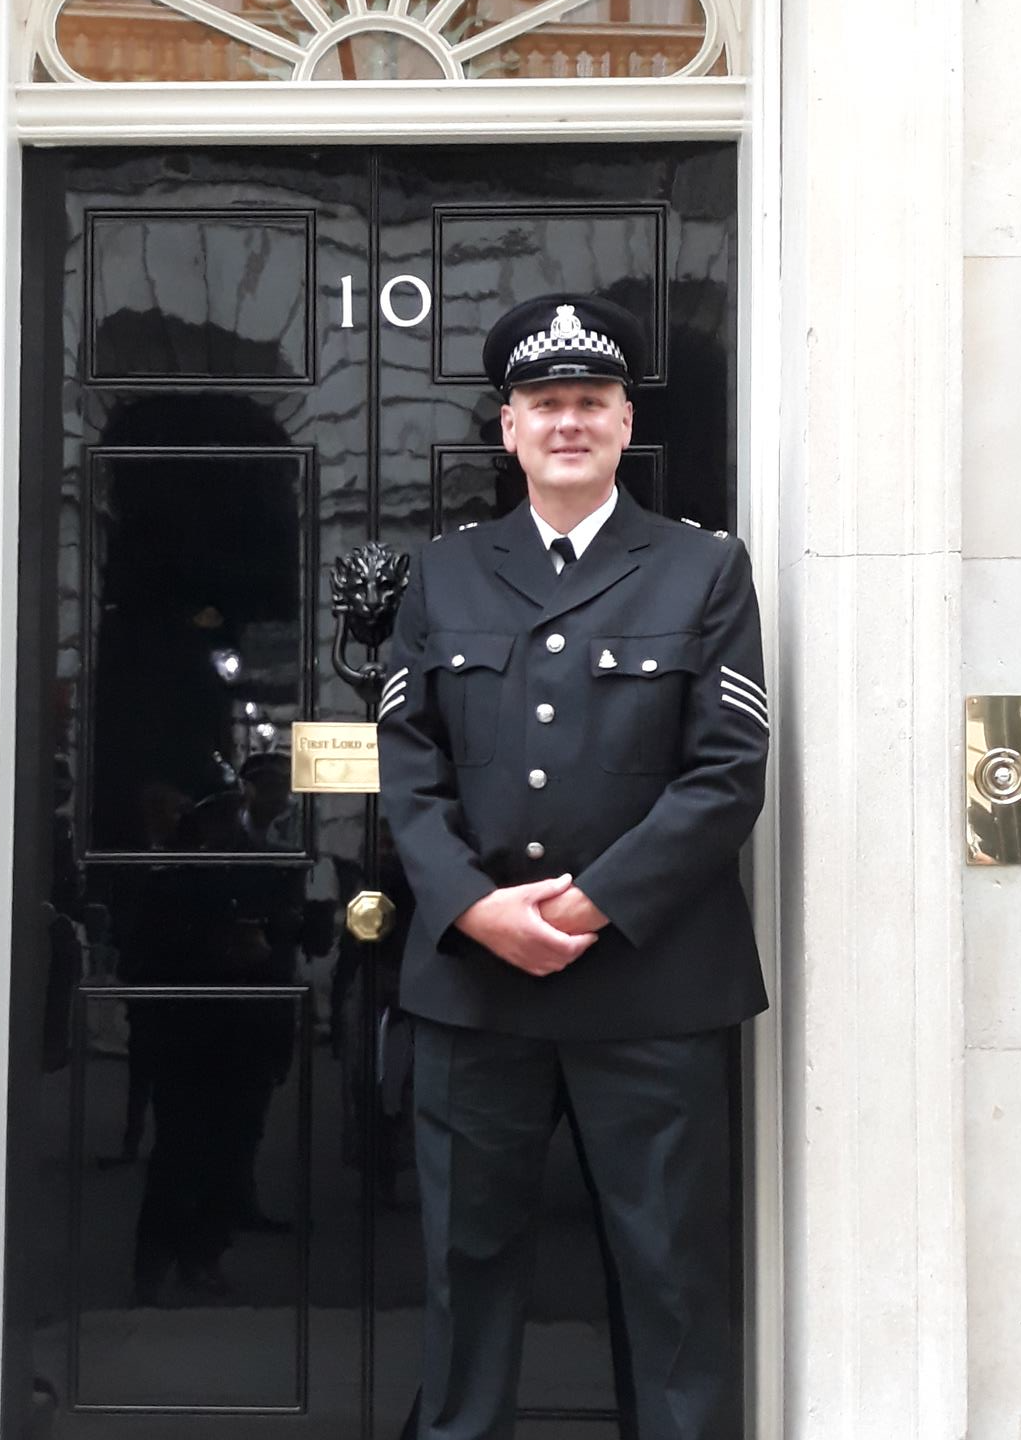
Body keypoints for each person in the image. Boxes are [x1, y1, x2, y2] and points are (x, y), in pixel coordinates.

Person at [376, 293, 769, 1440]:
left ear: (623, 422)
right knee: (468, 1272)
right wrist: (473, 908)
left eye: (588, 402)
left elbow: (726, 771)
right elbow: (410, 770)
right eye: (544, 403)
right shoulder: (442, 576)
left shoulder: (703, 571)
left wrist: (593, 904)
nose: (566, 422)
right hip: (476, 987)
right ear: (508, 427)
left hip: (651, 989)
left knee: (671, 1282)